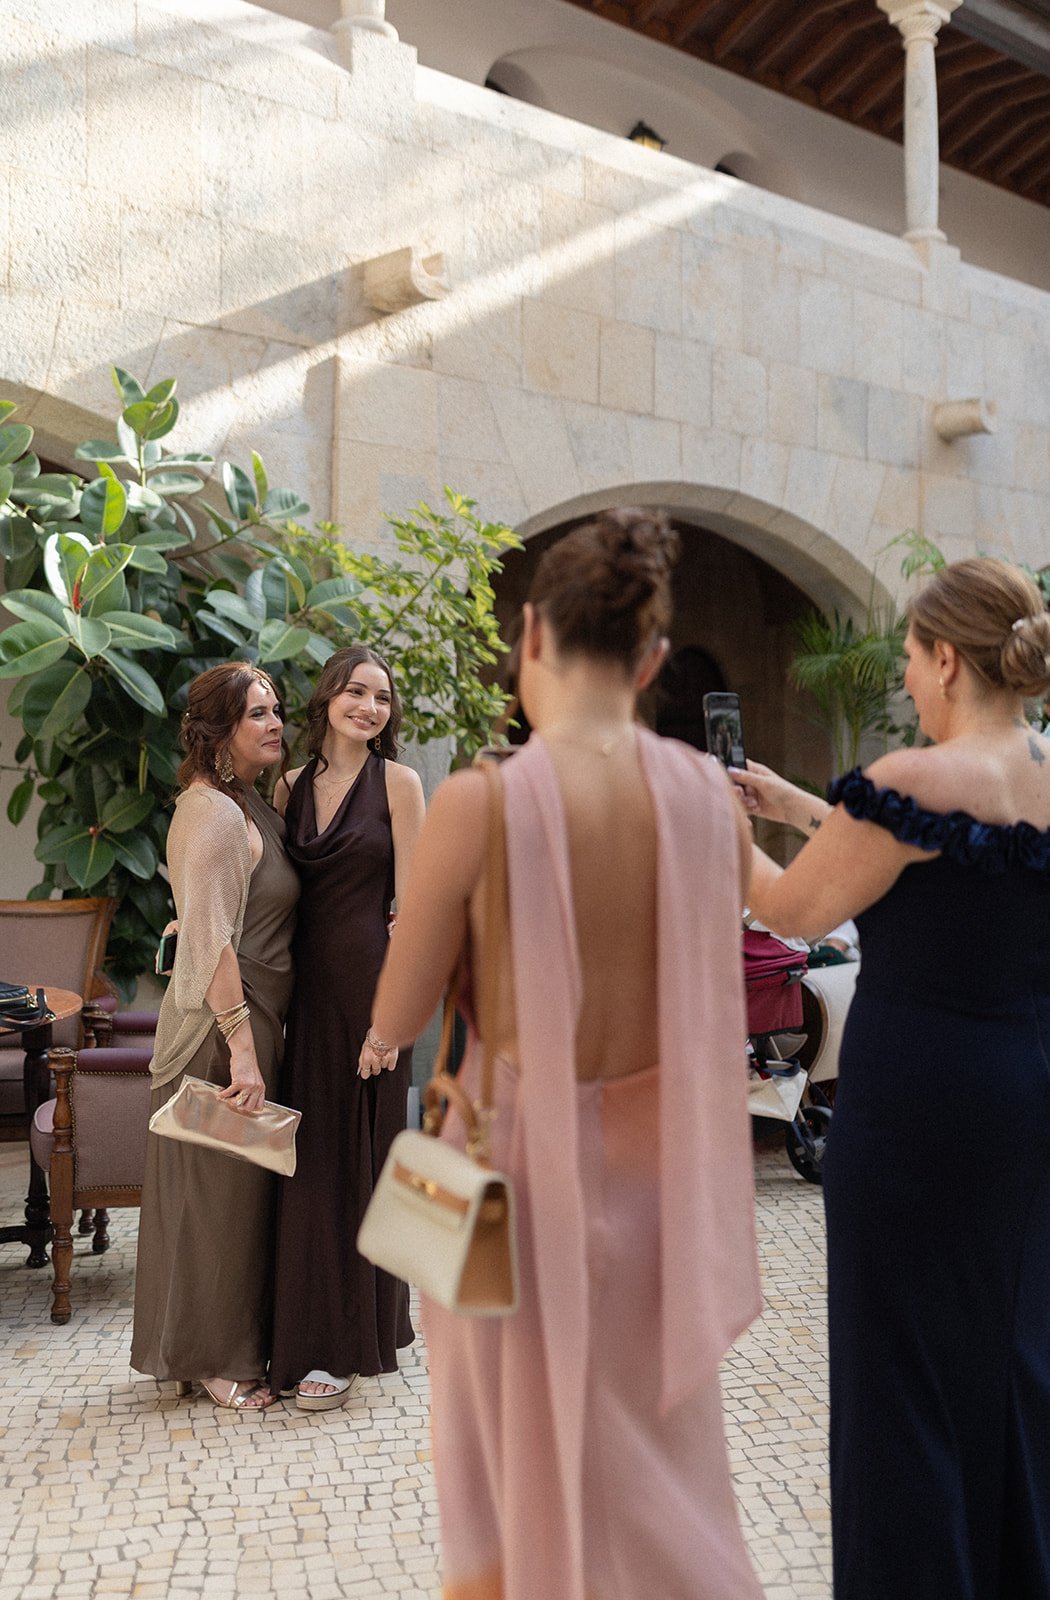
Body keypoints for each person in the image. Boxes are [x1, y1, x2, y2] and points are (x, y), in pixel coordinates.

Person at [366, 510, 764, 1600]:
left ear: (530, 632)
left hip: (506, 1193)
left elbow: (397, 1016)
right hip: (660, 1207)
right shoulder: (708, 808)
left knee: (499, 1478)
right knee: (660, 1485)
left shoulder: (478, 802)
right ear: (650, 659)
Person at [729, 557, 1050, 1600]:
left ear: (947, 659)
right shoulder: (1038, 775)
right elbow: (941, 868)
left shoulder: (910, 781)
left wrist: (733, 833)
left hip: (914, 1106)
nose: (908, 680)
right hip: (1023, 1094)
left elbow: (791, 910)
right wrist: (791, 795)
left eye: (912, 659)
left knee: (901, 1379)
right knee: (1012, 1354)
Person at [131, 663, 299, 1410]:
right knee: (211, 1207)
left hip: (256, 1020)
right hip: (217, 1033)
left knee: (235, 1201)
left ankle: (225, 1343)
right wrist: (240, 1047)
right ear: (218, 731)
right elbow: (211, 941)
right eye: (255, 713)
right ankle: (209, 1361)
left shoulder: (246, 803)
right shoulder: (215, 814)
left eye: (276, 710)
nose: (274, 723)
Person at [269, 646, 425, 1410]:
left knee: (360, 1163)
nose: (369, 707)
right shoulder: (288, 785)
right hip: (303, 1001)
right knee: (311, 1165)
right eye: (356, 692)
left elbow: (419, 914)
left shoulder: (401, 784)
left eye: (382, 698)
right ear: (327, 696)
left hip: (373, 997)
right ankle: (313, 1329)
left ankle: (348, 1345)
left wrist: (390, 1026)